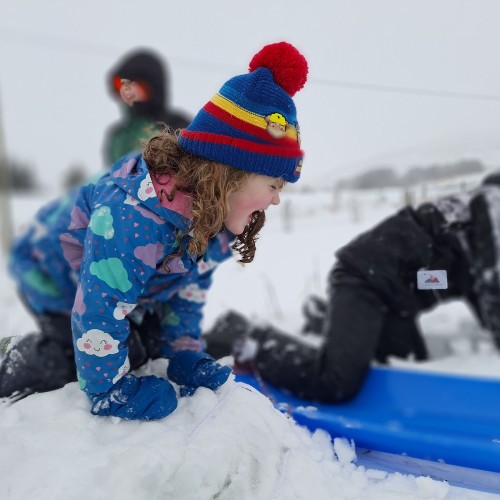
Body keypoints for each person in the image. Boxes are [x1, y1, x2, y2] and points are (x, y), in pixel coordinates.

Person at [0, 42, 309, 421]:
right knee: (78, 356)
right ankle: (14, 361)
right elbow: (100, 307)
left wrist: (181, 352)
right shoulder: (136, 217)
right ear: (232, 175)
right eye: (274, 185)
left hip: (122, 280)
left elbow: (186, 292)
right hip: (53, 276)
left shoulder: (215, 223)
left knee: (142, 346)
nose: (276, 200)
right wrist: (110, 390)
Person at [203, 173, 500, 403]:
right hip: (363, 280)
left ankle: (327, 321)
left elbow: (483, 290)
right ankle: (242, 336)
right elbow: (493, 285)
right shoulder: (492, 205)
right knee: (337, 382)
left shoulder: (481, 220)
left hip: (396, 302)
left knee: (407, 374)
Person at [104, 48, 192, 166]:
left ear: (152, 88)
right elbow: (108, 173)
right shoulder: (119, 137)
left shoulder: (177, 127)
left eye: (134, 87)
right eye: (120, 87)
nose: (127, 94)